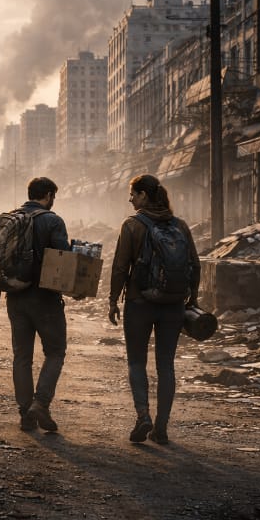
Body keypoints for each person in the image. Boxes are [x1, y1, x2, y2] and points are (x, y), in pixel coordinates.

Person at [108, 174, 200, 444]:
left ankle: (143, 416)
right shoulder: (180, 225)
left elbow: (120, 267)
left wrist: (113, 300)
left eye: (133, 194)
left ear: (144, 196)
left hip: (139, 303)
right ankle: (161, 428)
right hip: (173, 305)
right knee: (166, 365)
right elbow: (195, 265)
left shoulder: (132, 225)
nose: (130, 199)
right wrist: (192, 300)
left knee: (136, 361)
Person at [7, 177, 70, 432]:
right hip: (45, 299)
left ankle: (26, 414)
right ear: (47, 195)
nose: (53, 201)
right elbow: (64, 260)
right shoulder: (52, 220)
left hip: (15, 295)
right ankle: (41, 403)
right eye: (53, 196)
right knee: (55, 352)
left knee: (22, 356)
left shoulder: (12, 218)